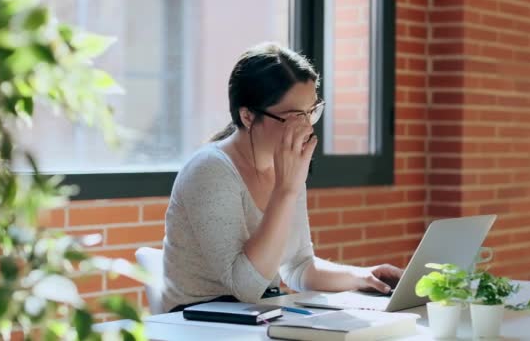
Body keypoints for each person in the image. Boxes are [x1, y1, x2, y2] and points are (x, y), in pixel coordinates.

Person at [161, 42, 402, 313]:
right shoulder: (210, 170)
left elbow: (298, 266)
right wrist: (286, 190)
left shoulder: (284, 165)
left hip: (257, 317)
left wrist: (362, 277)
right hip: (196, 322)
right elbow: (246, 288)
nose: (307, 127)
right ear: (248, 116)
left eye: (312, 112)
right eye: (295, 116)